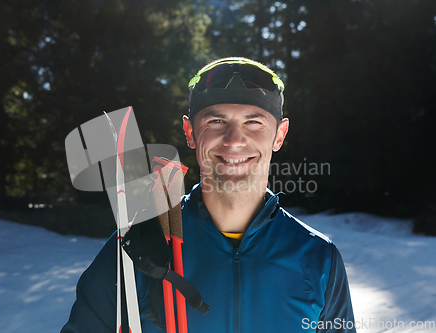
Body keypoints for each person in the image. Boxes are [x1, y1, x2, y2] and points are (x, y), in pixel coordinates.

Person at [61, 57, 356, 332]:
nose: (234, 140)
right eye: (216, 121)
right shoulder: (137, 248)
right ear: (190, 132)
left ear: (279, 134)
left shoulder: (319, 258)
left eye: (254, 122)